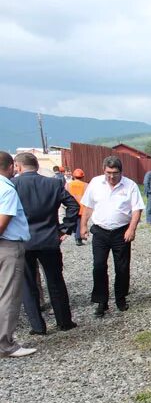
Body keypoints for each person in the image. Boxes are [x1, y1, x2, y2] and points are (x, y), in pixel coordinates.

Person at [13, 153, 79, 335]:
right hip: (50, 239)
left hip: (23, 240)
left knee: (28, 284)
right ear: (36, 165)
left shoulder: (13, 185)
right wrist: (65, 228)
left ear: (18, 166)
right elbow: (73, 206)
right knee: (56, 281)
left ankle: (37, 326)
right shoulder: (54, 183)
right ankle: (64, 321)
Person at [80, 156, 145, 317]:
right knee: (99, 266)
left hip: (121, 231)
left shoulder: (129, 186)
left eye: (115, 173)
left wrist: (132, 229)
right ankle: (102, 301)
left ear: (120, 172)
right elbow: (88, 206)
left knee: (122, 267)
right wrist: (83, 225)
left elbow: (137, 209)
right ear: (104, 170)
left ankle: (120, 298)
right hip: (100, 231)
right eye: (108, 173)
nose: (111, 176)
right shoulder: (95, 183)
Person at [0, 152, 35, 358]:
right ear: (12, 166)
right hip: (8, 246)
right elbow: (3, 223)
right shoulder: (6, 189)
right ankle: (5, 344)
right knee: (9, 295)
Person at [66, 168, 88, 245]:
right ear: (82, 176)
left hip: (71, 207)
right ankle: (78, 238)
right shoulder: (85, 185)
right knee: (79, 223)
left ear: (73, 176)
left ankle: (74, 233)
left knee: (73, 222)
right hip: (81, 207)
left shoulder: (68, 185)